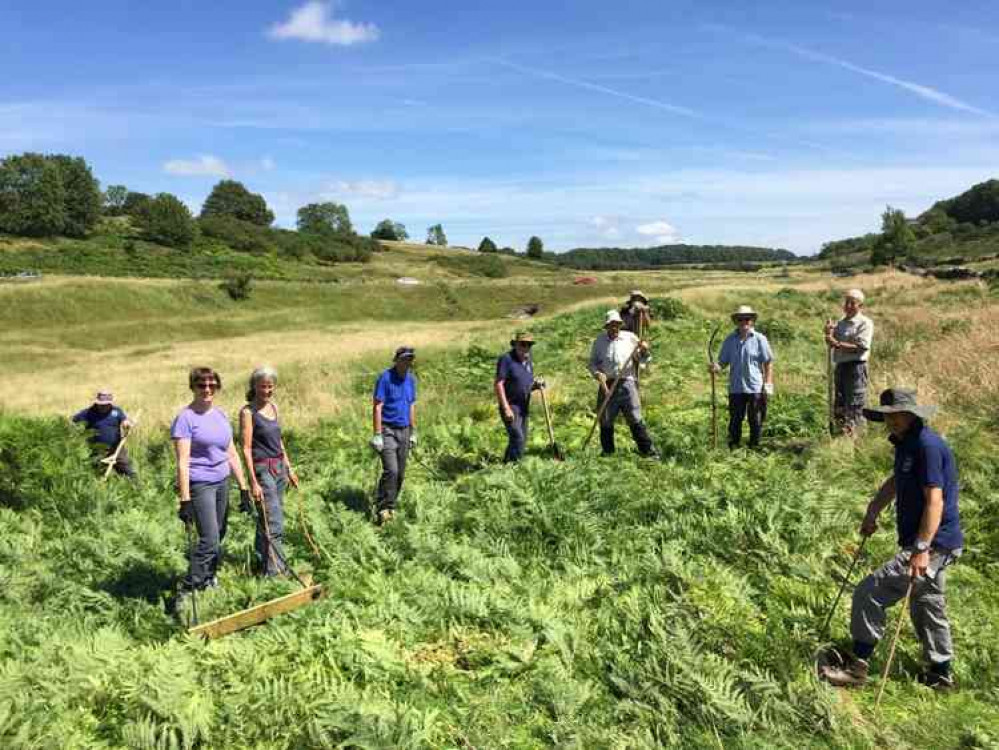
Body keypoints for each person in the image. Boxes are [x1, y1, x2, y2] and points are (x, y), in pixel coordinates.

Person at [821, 388, 963, 691]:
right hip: (934, 541)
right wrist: (874, 509)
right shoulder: (906, 445)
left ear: (912, 414)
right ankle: (941, 674)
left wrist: (922, 549)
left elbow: (934, 501)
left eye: (897, 415)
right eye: (887, 416)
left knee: (870, 591)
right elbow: (897, 480)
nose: (892, 421)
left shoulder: (927, 446)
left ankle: (856, 666)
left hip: (934, 543)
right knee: (927, 603)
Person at [171, 367, 251, 592]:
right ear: (193, 387)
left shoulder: (220, 415)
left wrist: (243, 488)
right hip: (201, 484)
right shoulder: (185, 419)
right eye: (201, 385)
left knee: (221, 532)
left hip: (222, 480)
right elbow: (183, 462)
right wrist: (185, 500)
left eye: (211, 385)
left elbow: (231, 452)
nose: (207, 389)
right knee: (209, 539)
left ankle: (209, 578)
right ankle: (188, 588)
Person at [240, 366, 299, 577]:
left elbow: (279, 441)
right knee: (273, 521)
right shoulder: (248, 412)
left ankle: (261, 560)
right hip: (262, 470)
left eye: (270, 386)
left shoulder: (274, 408)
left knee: (270, 517)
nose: (267, 390)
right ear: (254, 387)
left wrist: (290, 469)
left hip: (280, 469)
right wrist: (253, 481)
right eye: (263, 386)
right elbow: (246, 448)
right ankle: (276, 572)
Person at [588, 310, 658, 458]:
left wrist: (644, 350)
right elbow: (592, 363)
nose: (614, 328)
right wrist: (597, 374)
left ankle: (648, 452)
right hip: (607, 385)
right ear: (606, 326)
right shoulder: (599, 341)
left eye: (617, 324)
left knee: (635, 417)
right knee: (605, 420)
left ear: (620, 325)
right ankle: (608, 453)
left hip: (627, 382)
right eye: (611, 325)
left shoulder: (630, 338)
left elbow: (644, 359)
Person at [709, 305, 774, 449]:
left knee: (755, 420)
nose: (744, 322)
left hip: (755, 387)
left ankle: (754, 448)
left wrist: (768, 384)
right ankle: (733, 448)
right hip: (736, 388)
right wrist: (716, 367)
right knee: (735, 420)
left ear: (752, 321)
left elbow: (768, 362)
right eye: (741, 319)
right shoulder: (730, 340)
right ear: (736, 321)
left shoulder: (759, 339)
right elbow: (722, 362)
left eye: (747, 319)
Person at [371, 347, 418, 525]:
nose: (407, 363)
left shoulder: (411, 380)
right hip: (387, 429)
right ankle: (383, 508)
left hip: (404, 429)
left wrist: (413, 431)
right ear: (396, 360)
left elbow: (411, 405)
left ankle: (391, 504)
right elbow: (377, 406)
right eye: (404, 359)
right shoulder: (385, 378)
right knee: (391, 470)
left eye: (410, 360)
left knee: (401, 474)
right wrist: (377, 434)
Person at [825, 289, 874, 436]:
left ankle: (856, 439)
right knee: (840, 402)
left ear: (861, 305)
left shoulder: (865, 323)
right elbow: (831, 341)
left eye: (853, 303)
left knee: (855, 404)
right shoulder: (841, 323)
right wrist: (828, 333)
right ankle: (840, 436)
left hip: (856, 368)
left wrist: (837, 343)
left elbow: (861, 347)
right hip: (841, 366)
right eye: (847, 302)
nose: (848, 305)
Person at [495, 332, 544, 462]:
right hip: (511, 405)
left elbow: (526, 384)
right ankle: (515, 468)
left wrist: (536, 385)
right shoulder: (506, 359)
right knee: (518, 437)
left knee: (520, 441)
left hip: (524, 406)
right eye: (523, 344)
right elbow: (499, 383)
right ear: (515, 345)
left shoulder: (528, 359)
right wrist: (506, 408)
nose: (526, 347)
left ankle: (506, 464)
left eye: (529, 345)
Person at [71, 390, 136, 479]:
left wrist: (127, 425)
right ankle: (99, 488)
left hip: (116, 448)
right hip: (97, 449)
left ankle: (137, 487)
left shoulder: (116, 411)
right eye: (101, 404)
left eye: (106, 404)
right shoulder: (88, 412)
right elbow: (73, 421)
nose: (104, 406)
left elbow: (124, 422)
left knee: (127, 471)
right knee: (97, 473)